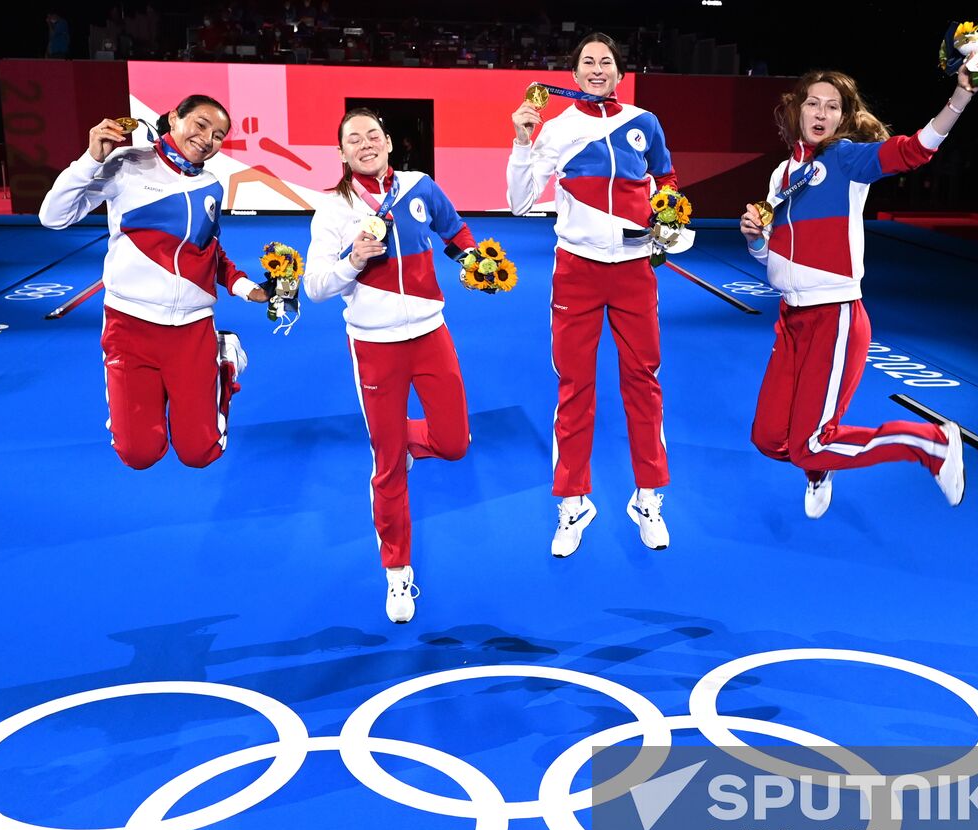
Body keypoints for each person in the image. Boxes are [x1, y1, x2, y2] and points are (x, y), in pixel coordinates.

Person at [739, 67, 978, 519]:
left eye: (833, 106)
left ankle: (931, 443)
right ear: (796, 109)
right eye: (813, 103)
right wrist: (754, 238)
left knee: (809, 444)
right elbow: (769, 260)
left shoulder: (848, 161)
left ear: (844, 117)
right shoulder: (780, 175)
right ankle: (820, 465)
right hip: (792, 318)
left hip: (835, 319)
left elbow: (915, 150)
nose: (821, 113)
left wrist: (961, 96)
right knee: (771, 439)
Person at [304, 107, 477, 624]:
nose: (364, 143)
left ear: (389, 143)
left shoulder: (420, 186)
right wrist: (353, 259)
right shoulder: (333, 210)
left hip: (430, 334)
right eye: (352, 139)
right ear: (340, 153)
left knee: (453, 442)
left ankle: (399, 439)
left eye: (372, 135)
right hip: (374, 345)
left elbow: (456, 230)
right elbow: (315, 287)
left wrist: (477, 262)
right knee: (385, 464)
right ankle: (398, 572)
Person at [507, 31, 676, 558]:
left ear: (620, 72)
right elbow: (517, 202)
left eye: (606, 61)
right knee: (575, 386)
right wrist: (522, 141)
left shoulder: (644, 123)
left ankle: (648, 498)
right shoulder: (557, 128)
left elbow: (666, 181)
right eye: (588, 62)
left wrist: (669, 217)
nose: (597, 68)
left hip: (632, 270)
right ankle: (574, 501)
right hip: (576, 271)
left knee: (643, 382)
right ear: (574, 74)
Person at [38, 94, 268, 471]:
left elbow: (209, 250)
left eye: (219, 135)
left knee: (200, 454)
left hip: (192, 331)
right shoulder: (126, 164)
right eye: (201, 124)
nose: (208, 138)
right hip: (130, 326)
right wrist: (91, 159)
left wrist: (245, 288)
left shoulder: (210, 185)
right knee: (139, 455)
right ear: (175, 119)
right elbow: (53, 216)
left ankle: (222, 360)